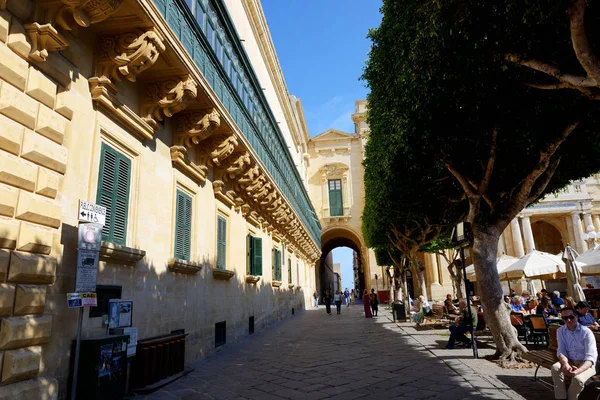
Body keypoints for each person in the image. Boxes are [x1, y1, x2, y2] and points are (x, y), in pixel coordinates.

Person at [551, 307, 598, 399]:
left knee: (577, 379)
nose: (568, 320)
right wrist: (565, 364)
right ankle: (561, 398)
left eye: (571, 317)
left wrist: (578, 371)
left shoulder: (586, 332)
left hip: (587, 363)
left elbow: (591, 357)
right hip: (570, 360)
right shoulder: (561, 331)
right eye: (565, 318)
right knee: (555, 368)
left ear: (576, 316)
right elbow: (561, 351)